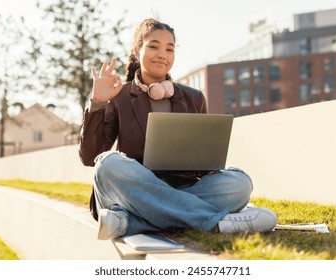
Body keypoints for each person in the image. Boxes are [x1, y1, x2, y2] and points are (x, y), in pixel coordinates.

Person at [79, 18, 277, 240]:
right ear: (137, 50)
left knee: (239, 183)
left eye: (169, 48)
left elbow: (204, 165)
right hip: (134, 190)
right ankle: (215, 223)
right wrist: (98, 102)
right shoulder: (119, 96)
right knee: (108, 164)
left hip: (182, 188)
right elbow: (91, 157)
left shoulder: (194, 98)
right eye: (153, 46)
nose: (162, 54)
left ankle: (129, 222)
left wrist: (205, 163)